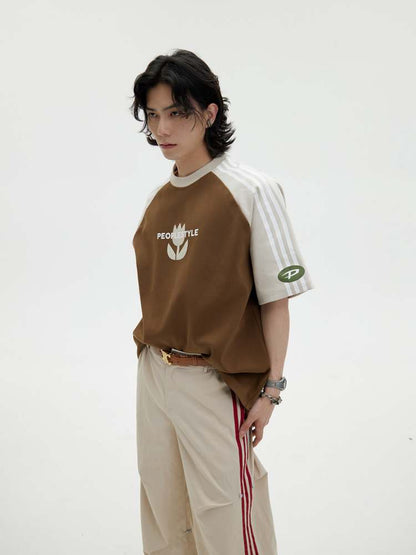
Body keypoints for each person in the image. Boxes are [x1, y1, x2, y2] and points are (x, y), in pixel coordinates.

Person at [129, 48, 314, 554]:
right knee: (165, 514)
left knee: (227, 515)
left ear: (209, 113)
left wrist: (271, 390)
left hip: (212, 381)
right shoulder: (156, 202)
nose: (162, 128)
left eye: (177, 112)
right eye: (153, 115)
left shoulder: (252, 191)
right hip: (154, 374)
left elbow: (276, 301)